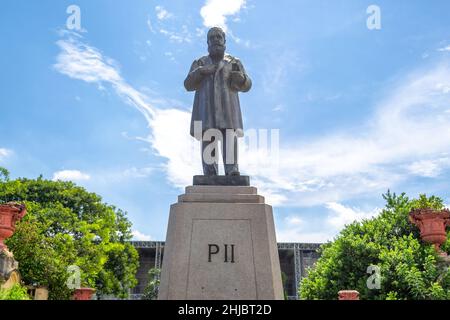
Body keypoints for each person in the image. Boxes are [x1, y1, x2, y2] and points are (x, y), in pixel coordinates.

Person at [184, 27, 252, 176]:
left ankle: (232, 170)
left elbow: (247, 85)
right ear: (207, 42)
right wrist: (201, 71)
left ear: (224, 41)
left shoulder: (234, 62)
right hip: (206, 110)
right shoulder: (200, 62)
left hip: (228, 109)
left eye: (218, 37)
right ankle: (210, 172)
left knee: (229, 136)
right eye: (212, 38)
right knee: (209, 137)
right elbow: (188, 85)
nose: (215, 40)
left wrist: (242, 79)